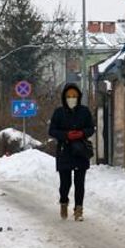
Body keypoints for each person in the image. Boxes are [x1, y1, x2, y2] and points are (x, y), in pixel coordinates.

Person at [48, 83, 95, 221]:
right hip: (64, 151)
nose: (71, 98)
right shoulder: (59, 112)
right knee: (65, 183)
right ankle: (64, 202)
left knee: (80, 183)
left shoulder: (84, 111)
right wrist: (66, 135)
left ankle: (78, 210)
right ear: (64, 97)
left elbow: (91, 128)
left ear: (78, 97)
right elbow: (52, 130)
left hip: (81, 151)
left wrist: (81, 133)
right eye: (69, 96)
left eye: (74, 96)